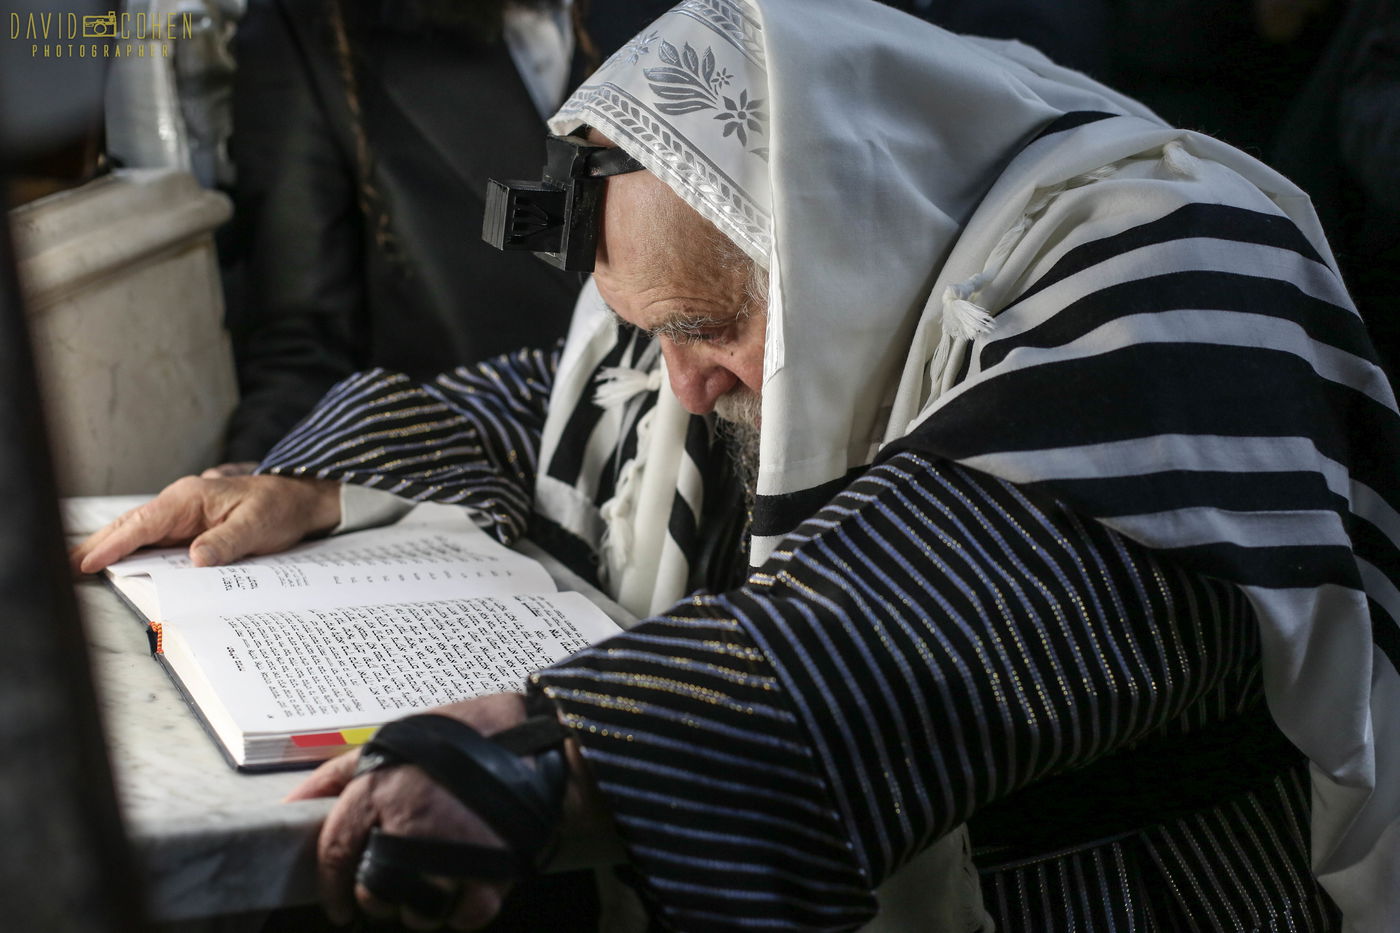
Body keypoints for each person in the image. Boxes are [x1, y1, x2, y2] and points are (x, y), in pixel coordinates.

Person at [74, 1, 1400, 930]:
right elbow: (570, 395)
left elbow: (959, 613)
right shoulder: (759, 267)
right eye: (661, 335)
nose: (685, 384)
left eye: (711, 330)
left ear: (844, 239)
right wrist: (315, 474)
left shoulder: (1175, 260)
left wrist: (560, 745)